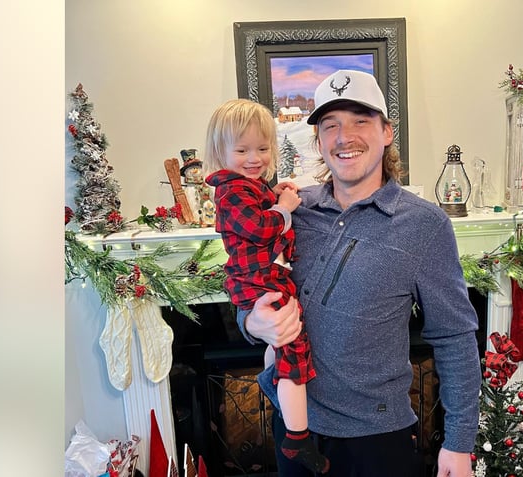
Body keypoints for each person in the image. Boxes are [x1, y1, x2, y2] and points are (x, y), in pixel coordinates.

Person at [237, 70, 480, 477]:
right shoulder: (291, 210)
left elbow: (454, 337)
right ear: (318, 142)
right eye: (330, 126)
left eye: (360, 121)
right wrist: (251, 322)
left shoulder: (425, 225)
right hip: (295, 429)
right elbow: (248, 285)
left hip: (378, 440)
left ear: (386, 132)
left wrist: (459, 443)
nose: (344, 137)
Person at [203, 99, 330, 474]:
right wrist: (285, 207)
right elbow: (260, 228)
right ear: (219, 152)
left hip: (263, 281)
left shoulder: (248, 188)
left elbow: (261, 212)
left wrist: (278, 196)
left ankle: (276, 390)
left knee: (282, 346)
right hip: (260, 284)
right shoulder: (231, 191)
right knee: (294, 351)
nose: (254, 158)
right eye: (242, 150)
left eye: (262, 148)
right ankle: (296, 439)